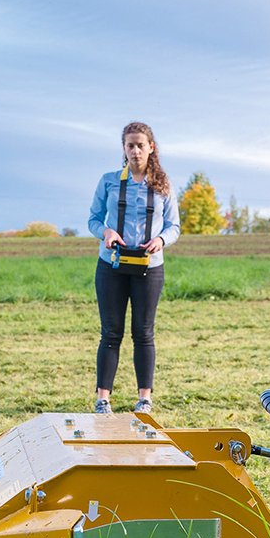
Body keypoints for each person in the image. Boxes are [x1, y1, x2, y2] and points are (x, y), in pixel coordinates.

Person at [87, 122, 181, 414]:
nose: (135, 150)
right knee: (110, 333)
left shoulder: (163, 184)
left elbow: (174, 225)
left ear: (151, 147)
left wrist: (161, 240)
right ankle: (103, 399)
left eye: (141, 145)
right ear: (124, 149)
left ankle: (144, 399)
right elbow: (93, 219)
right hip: (111, 266)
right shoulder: (109, 181)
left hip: (149, 268)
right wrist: (106, 233)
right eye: (130, 145)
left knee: (143, 332)